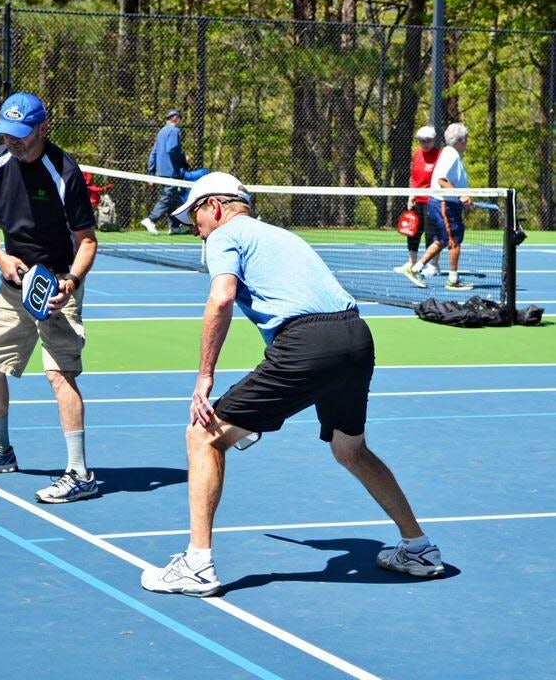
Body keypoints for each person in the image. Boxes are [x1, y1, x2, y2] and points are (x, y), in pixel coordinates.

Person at [140, 171, 444, 597]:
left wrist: (204, 376)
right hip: (355, 335)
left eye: (195, 219)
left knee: (203, 436)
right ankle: (419, 548)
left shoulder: (223, 237)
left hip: (308, 343)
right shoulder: (279, 236)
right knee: (349, 449)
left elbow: (222, 297)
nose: (196, 230)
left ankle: (197, 565)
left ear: (215, 206)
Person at [0, 91, 100, 504]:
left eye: (21, 135)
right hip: (13, 283)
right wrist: (0, 257)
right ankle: (0, 452)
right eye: (6, 134)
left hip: (57, 284)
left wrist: (69, 281)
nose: (13, 142)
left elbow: (87, 241)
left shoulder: (65, 172)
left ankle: (79, 473)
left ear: (42, 128)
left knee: (59, 374)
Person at [397, 122, 473, 292]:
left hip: (446, 203)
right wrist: (461, 196)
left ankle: (415, 268)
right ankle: (453, 280)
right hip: (444, 204)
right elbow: (442, 180)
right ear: (459, 140)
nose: (467, 142)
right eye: (465, 139)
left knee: (441, 240)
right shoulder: (451, 154)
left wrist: (464, 198)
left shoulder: (451, 153)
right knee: (454, 241)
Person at [393, 125, 440, 277]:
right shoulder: (417, 154)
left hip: (432, 200)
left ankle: (433, 265)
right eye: (421, 141)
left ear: (433, 140)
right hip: (417, 199)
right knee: (413, 232)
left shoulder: (439, 156)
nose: (424, 143)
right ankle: (412, 262)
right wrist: (411, 195)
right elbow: (414, 177)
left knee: (431, 233)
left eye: (427, 140)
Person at [142, 109, 191, 235]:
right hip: (171, 172)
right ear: (175, 118)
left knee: (174, 199)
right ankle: (151, 219)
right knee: (168, 197)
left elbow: (154, 152)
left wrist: (151, 173)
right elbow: (172, 149)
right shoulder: (174, 131)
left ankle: (175, 226)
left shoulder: (161, 132)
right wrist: (183, 159)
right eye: (179, 118)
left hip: (162, 172)